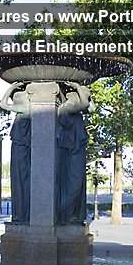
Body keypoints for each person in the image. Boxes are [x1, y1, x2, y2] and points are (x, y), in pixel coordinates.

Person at [56, 82, 93, 225]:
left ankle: (72, 214)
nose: (87, 97)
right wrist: (78, 87)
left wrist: (84, 93)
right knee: (74, 185)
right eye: (86, 95)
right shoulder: (67, 107)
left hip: (76, 150)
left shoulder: (75, 111)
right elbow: (85, 104)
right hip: (72, 152)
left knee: (77, 184)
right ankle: (67, 214)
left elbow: (91, 108)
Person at [0, 81, 31, 223]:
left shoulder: (23, 108)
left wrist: (11, 88)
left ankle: (20, 214)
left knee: (19, 180)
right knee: (24, 181)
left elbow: (3, 104)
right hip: (25, 148)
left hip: (19, 148)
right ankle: (24, 213)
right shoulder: (29, 109)